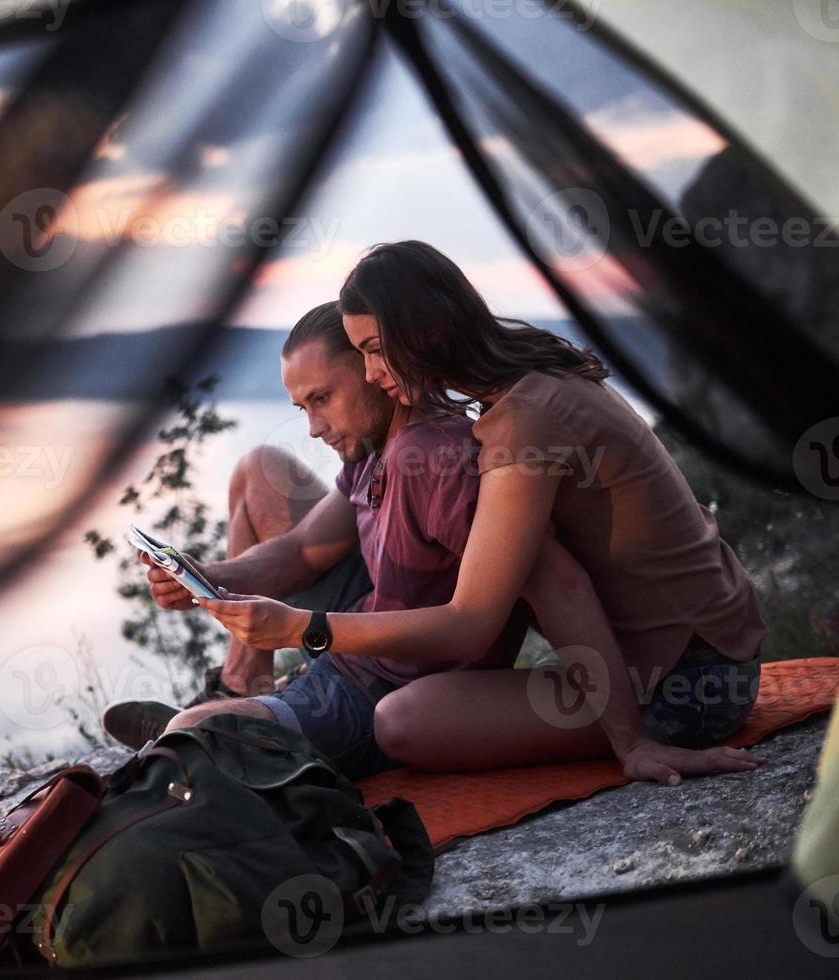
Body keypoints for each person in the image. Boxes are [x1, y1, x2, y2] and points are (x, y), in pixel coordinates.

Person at [195, 242, 765, 785]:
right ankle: (260, 691)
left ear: (426, 329)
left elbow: (515, 605)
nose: (371, 374)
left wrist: (633, 744)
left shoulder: (525, 421)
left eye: (373, 350)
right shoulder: (523, 385)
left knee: (405, 722)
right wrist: (210, 580)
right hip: (689, 647)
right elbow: (305, 549)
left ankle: (289, 714)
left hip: (688, 677)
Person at [107, 301, 553, 778]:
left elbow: (505, 607)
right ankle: (242, 690)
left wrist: (302, 627)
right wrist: (208, 577)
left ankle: (246, 709)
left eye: (323, 399)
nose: (314, 428)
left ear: (374, 367)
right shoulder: (374, 444)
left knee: (192, 733)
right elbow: (301, 551)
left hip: (386, 685)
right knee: (258, 469)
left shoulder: (436, 461)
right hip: (366, 622)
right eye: (303, 407)